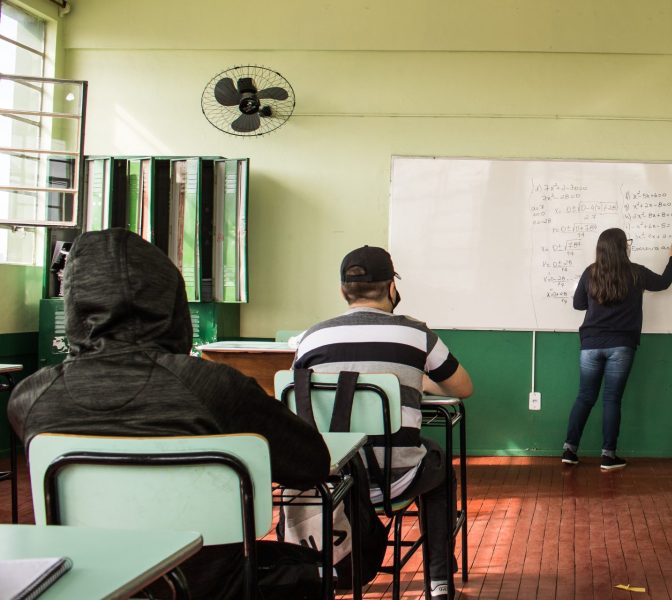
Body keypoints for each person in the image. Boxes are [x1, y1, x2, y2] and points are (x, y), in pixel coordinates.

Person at [8, 228, 330, 600]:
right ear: (173, 302)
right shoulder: (212, 386)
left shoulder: (30, 398)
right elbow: (312, 464)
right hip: (209, 585)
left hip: (91, 583)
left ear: (74, 304)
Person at [293, 245, 474, 599]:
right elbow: (463, 387)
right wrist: (416, 380)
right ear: (392, 287)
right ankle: (438, 580)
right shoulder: (417, 335)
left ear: (343, 291)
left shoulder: (311, 338)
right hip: (396, 478)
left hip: (331, 479)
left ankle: (324, 569)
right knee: (438, 463)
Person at [561, 228, 672, 470]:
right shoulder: (636, 273)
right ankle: (608, 456)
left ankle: (569, 450)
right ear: (622, 247)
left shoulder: (591, 272)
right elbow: (664, 282)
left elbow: (578, 304)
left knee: (585, 397)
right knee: (611, 399)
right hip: (621, 346)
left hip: (591, 344)